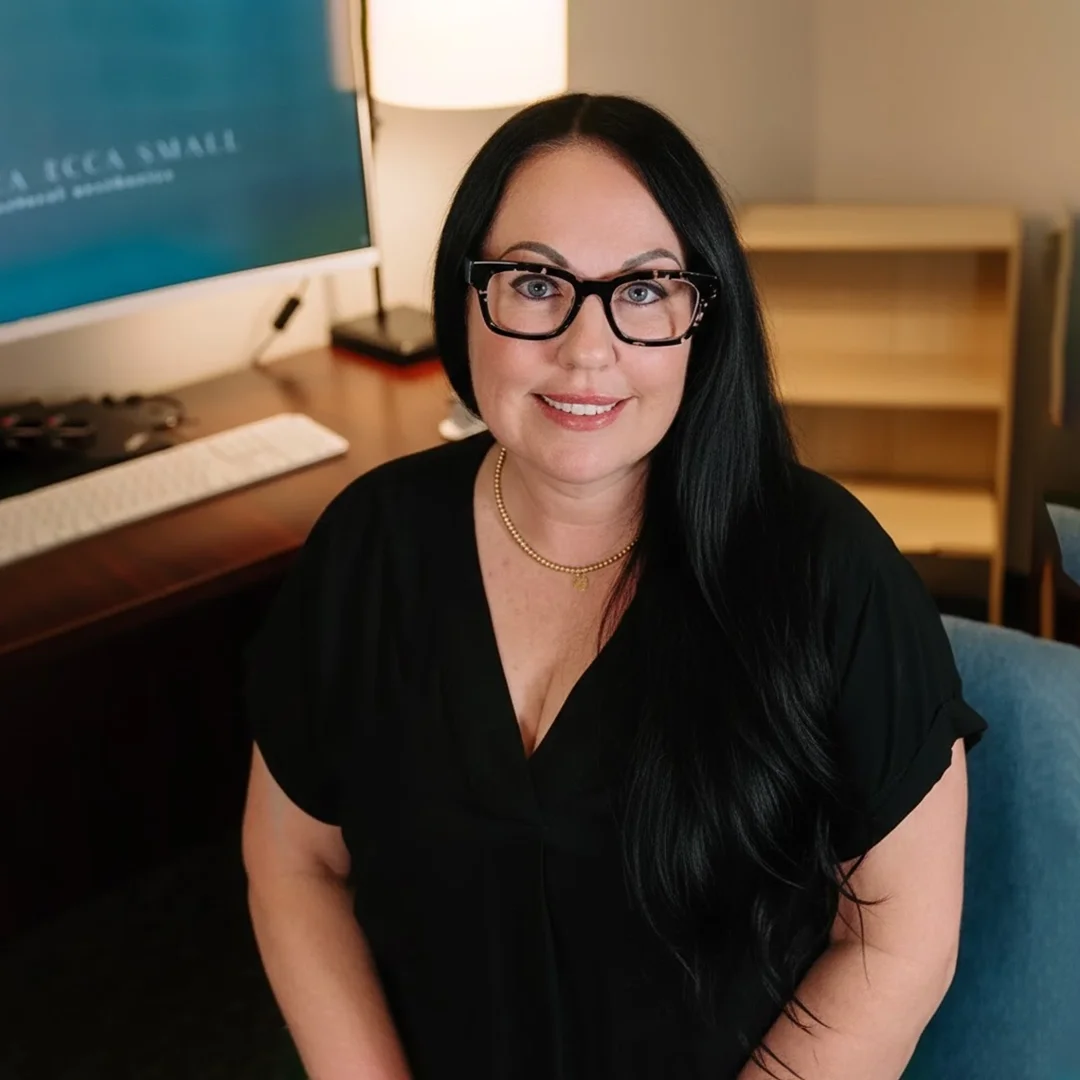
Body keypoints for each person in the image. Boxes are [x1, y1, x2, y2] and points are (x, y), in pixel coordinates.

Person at [241, 94, 986, 1080]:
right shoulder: (370, 546)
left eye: (643, 291)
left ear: (700, 317)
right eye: (536, 281)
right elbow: (296, 863)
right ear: (466, 297)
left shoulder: (825, 567)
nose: (587, 350)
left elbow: (899, 939)